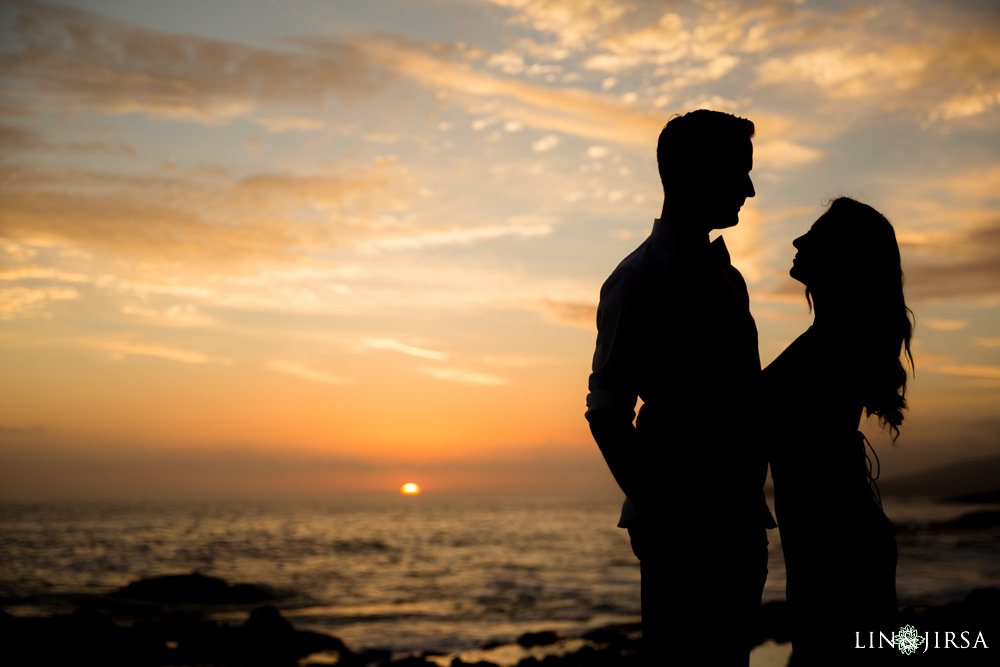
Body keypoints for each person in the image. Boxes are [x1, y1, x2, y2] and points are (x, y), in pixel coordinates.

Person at [586, 109, 774, 664]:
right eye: (739, 173)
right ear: (696, 173)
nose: (750, 188)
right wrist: (665, 511)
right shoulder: (638, 278)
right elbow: (606, 409)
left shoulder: (727, 276)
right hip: (684, 533)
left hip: (740, 519)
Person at [762, 197, 913, 665]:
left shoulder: (832, 347)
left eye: (815, 235)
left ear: (843, 259)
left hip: (837, 550)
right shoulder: (829, 339)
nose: (797, 240)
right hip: (831, 544)